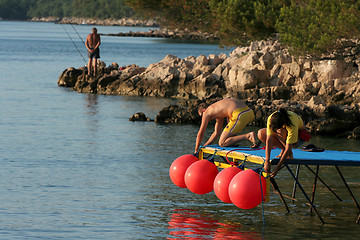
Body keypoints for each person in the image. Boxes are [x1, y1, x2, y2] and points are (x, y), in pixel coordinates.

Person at [257, 108, 310, 177]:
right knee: (261, 133)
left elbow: (288, 148)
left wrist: (277, 168)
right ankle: (284, 149)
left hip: (299, 139)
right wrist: (267, 161)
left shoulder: (291, 123)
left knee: (280, 132)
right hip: (284, 136)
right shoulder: (271, 118)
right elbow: (268, 140)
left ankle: (287, 152)